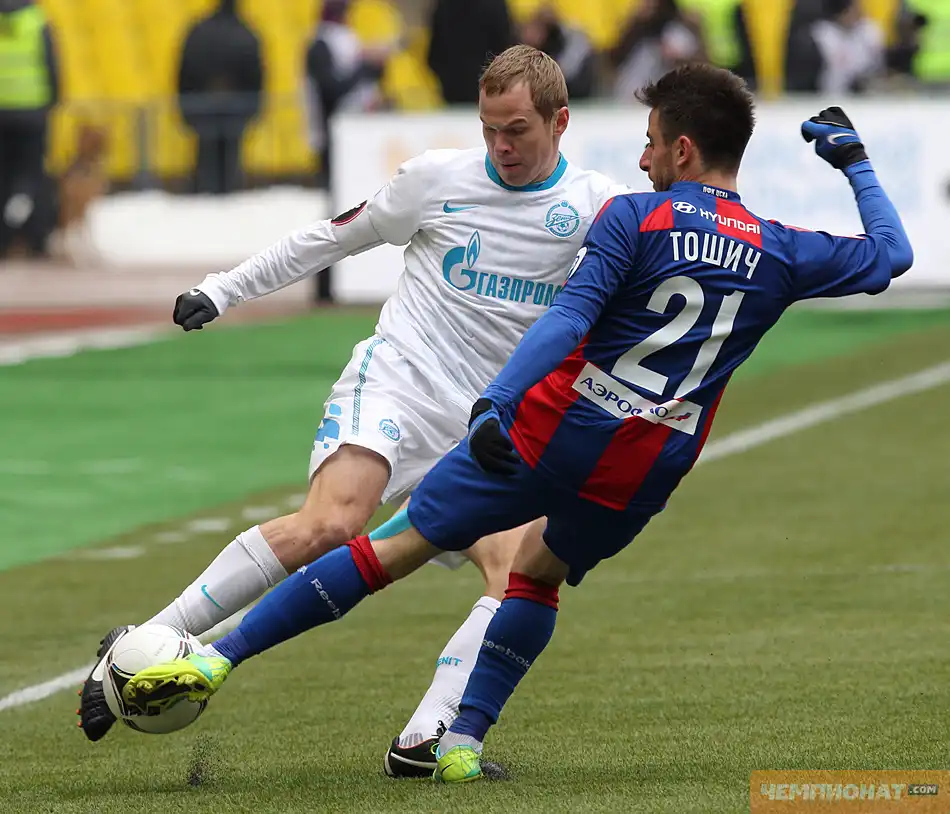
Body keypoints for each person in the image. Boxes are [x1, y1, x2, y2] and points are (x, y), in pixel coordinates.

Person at [117, 64, 913, 782]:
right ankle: (459, 741)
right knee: (535, 577)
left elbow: (568, 320)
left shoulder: (633, 216)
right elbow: (890, 255)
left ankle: (218, 659)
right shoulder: (780, 249)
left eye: (650, 143)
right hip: (644, 468)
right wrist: (854, 163)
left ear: (681, 149)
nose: (642, 159)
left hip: (551, 430)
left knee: (391, 547)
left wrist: (496, 403)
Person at [78, 45, 628, 778]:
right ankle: (138, 646)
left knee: (516, 572)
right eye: (490, 128)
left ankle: (426, 739)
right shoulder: (437, 179)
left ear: (560, 123)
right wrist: (225, 288)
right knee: (333, 522)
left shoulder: (596, 206)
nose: (501, 145)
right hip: (401, 380)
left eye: (518, 130)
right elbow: (331, 239)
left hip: (486, 425)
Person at [177, 0, 263, 195]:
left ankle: (204, 192)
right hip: (236, 111)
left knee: (205, 159)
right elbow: (256, 76)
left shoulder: (198, 32)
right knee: (230, 161)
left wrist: (186, 108)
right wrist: (251, 109)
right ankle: (228, 192)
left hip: (201, 109)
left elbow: (184, 73)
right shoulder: (246, 33)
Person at [0, 0, 59, 258]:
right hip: (32, 112)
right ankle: (35, 238)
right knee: (31, 177)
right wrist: (53, 100)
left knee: (3, 177)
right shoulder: (36, 20)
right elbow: (51, 64)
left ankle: (4, 239)